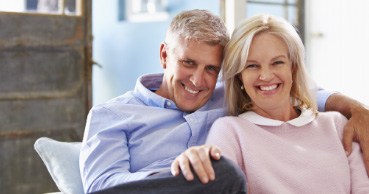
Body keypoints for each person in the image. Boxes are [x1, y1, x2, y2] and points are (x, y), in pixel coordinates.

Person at [80, 9, 369, 194]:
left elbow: (292, 90)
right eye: (188, 63)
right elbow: (101, 187)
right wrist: (178, 173)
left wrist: (357, 109)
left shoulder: (230, 92)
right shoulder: (112, 115)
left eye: (210, 69)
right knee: (224, 173)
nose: (197, 80)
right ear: (165, 55)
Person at [205, 14, 369, 193]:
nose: (266, 76)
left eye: (277, 63)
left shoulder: (337, 124)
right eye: (252, 65)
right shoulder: (229, 132)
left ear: (293, 67)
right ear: (239, 75)